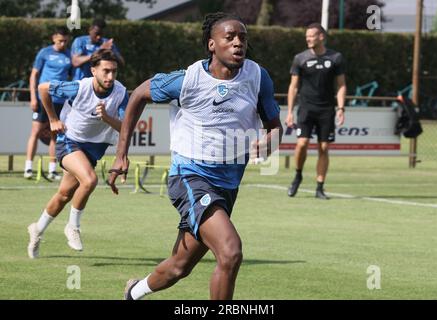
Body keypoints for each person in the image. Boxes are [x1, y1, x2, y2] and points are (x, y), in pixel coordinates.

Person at [108, 12, 283, 300]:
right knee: (230, 251)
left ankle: (133, 293)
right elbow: (138, 94)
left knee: (179, 267)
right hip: (190, 177)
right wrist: (120, 155)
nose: (238, 42)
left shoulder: (258, 76)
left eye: (242, 37)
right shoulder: (187, 80)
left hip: (227, 185)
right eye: (230, 37)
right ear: (212, 45)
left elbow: (275, 128)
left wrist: (268, 142)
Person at [27, 49, 129, 259]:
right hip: (69, 141)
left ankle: (37, 229)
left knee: (64, 195)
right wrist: (53, 119)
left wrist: (107, 117)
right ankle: (72, 226)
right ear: (94, 71)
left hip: (94, 149)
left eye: (114, 71)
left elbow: (125, 128)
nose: (110, 76)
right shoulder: (79, 87)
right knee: (90, 180)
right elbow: (43, 88)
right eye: (106, 71)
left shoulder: (121, 93)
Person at [285, 23, 347, 200]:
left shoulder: (336, 58)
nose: (308, 39)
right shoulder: (300, 58)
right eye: (306, 37)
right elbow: (293, 86)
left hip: (327, 109)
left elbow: (341, 85)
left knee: (324, 147)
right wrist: (289, 111)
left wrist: (341, 108)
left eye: (311, 36)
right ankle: (298, 175)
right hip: (306, 108)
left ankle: (320, 187)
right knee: (302, 143)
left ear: (321, 37)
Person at [24, 27, 71, 180]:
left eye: (65, 41)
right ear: (53, 38)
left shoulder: (69, 55)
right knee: (35, 132)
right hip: (42, 98)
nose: (62, 44)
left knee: (55, 135)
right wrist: (33, 96)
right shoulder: (44, 53)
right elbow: (34, 75)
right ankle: (28, 168)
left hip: (59, 100)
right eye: (60, 41)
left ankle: (52, 170)